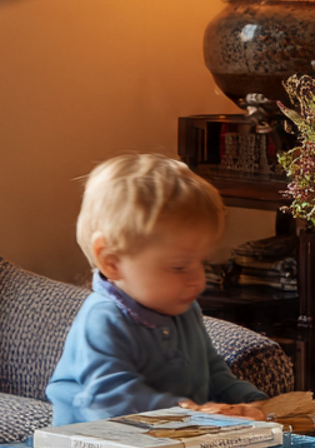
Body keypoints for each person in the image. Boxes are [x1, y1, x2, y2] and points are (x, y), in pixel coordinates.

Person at [46, 154, 268, 426]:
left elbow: (213, 372)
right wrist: (189, 411)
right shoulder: (103, 320)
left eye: (202, 262)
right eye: (179, 267)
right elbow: (111, 399)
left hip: (173, 440)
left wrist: (253, 402)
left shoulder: (183, 310)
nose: (198, 279)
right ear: (112, 261)